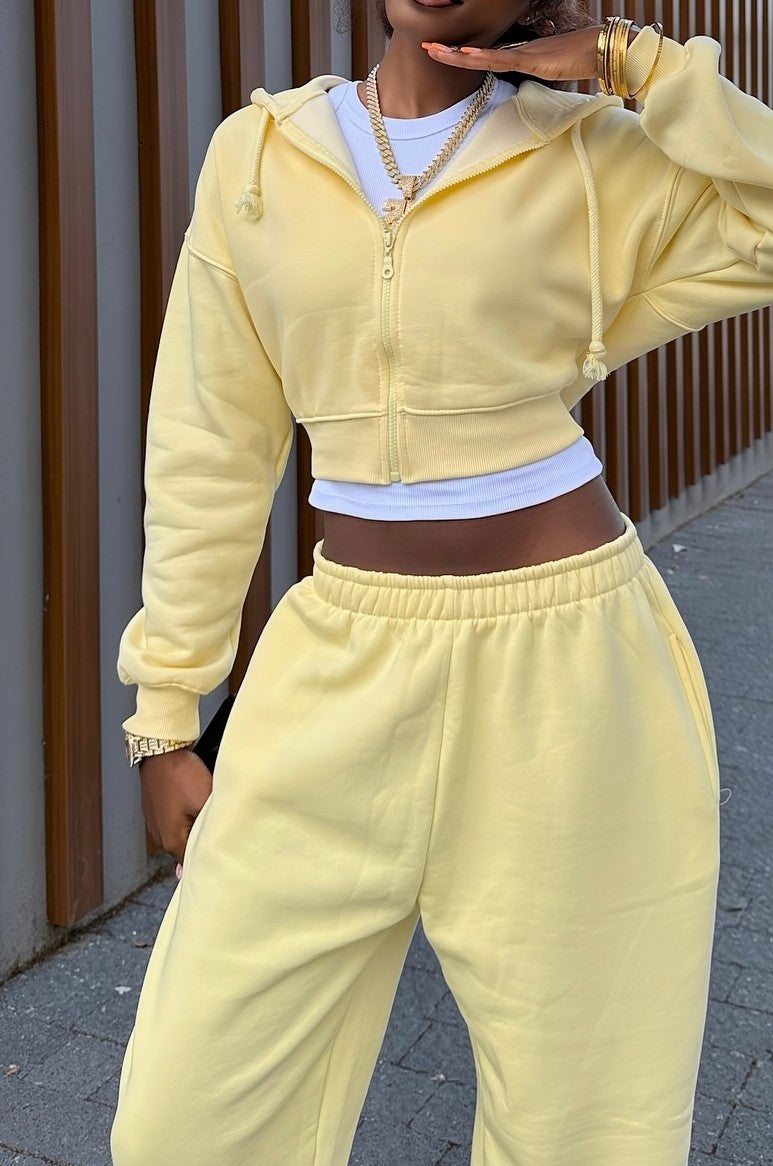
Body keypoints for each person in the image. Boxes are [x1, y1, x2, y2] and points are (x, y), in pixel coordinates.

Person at [110, 2, 773, 1163]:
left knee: (582, 1124)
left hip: (571, 672)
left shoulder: (592, 154)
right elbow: (209, 443)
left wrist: (630, 63)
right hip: (336, 659)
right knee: (188, 1120)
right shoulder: (256, 160)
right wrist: (166, 708)